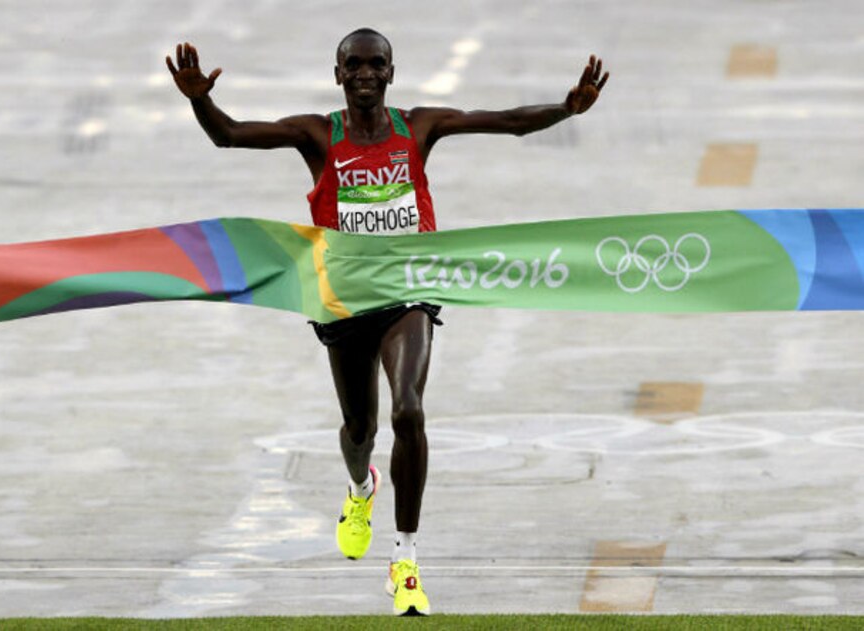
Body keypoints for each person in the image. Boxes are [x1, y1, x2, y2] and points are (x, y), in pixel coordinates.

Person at [166, 28, 607, 616]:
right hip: (346, 299)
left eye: (377, 64)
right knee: (359, 429)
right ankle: (359, 488)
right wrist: (200, 99)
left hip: (409, 291)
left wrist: (564, 107)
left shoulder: (417, 128)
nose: (367, 74)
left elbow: (505, 121)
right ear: (339, 74)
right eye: (356, 65)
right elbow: (230, 136)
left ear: (392, 73)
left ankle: (405, 562)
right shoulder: (318, 135)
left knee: (409, 410)